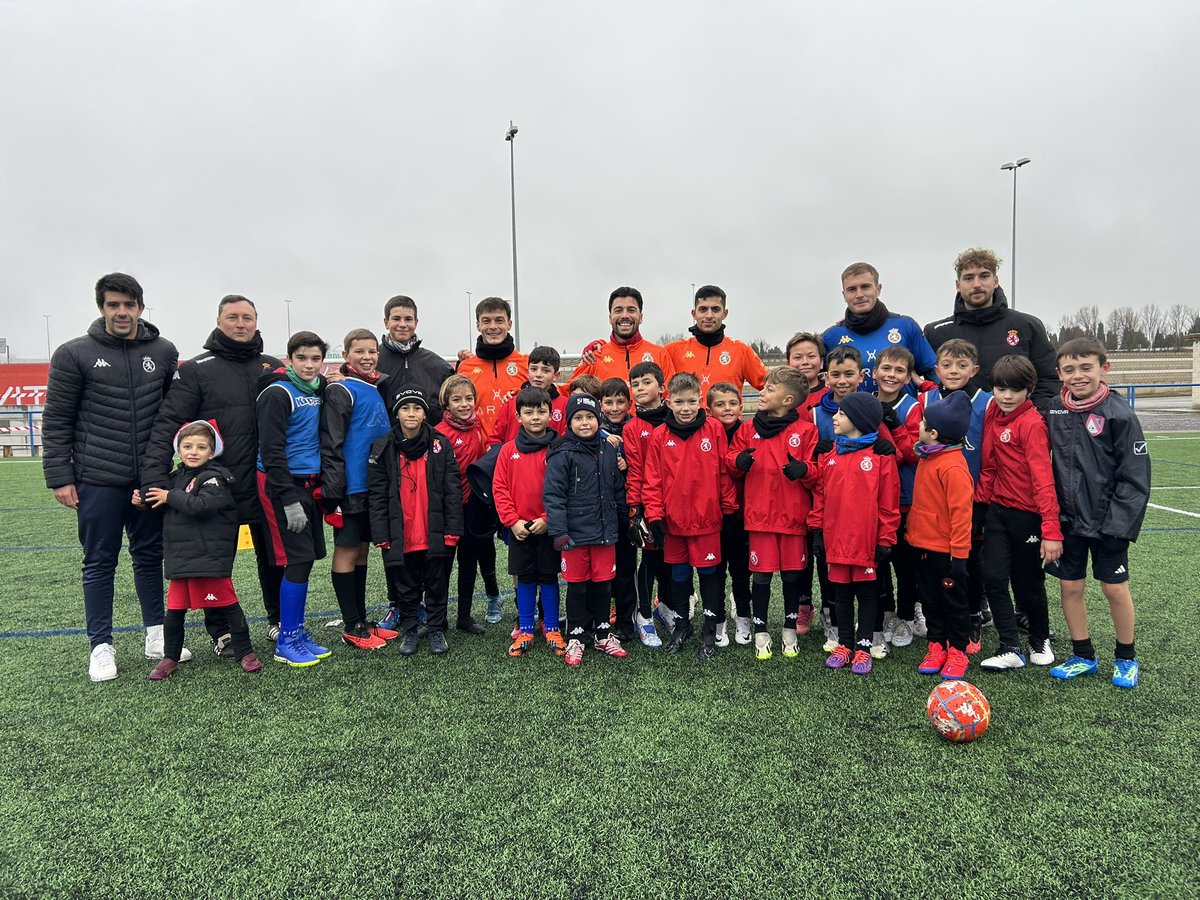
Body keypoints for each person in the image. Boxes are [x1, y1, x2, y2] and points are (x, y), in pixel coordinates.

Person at [43, 273, 184, 682]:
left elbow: (172, 413)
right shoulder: (74, 353)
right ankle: (101, 646)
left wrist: (162, 473)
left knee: (149, 557)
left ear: (141, 307)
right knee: (100, 562)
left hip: (148, 479)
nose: (121, 312)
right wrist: (60, 477)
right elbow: (56, 420)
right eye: (112, 305)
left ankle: (156, 634)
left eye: (128, 304)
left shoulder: (164, 351)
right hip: (97, 479)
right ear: (102, 308)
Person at [144, 294, 283, 651]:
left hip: (266, 481)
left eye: (247, 317)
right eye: (233, 317)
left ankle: (278, 620)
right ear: (219, 321)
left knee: (273, 556)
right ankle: (221, 631)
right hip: (216, 486)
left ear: (256, 321)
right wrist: (154, 479)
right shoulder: (197, 369)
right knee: (214, 559)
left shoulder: (273, 366)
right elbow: (168, 424)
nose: (241, 324)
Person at [1044, 338, 1150, 689]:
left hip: (1109, 524)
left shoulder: (1119, 413)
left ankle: (1126, 657)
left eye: (1086, 367)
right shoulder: (1054, 411)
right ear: (1059, 374)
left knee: (1114, 589)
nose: (1078, 376)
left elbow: (1135, 476)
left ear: (1105, 368)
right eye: (1069, 369)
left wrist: (1119, 525)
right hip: (1068, 522)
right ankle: (1083, 654)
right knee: (1070, 587)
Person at [137, 421, 261, 679]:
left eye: (201, 447)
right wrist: (142, 502)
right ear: (178, 449)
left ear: (212, 451)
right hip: (180, 557)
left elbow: (202, 505)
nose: (193, 452)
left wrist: (169, 496)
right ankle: (170, 657)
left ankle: (246, 651)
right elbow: (158, 503)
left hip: (210, 556)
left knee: (229, 605)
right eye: (187, 446)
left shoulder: (216, 477)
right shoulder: (174, 478)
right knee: (174, 611)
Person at [905, 338, 993, 652]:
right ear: (937, 368)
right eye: (946, 365)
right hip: (933, 501)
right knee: (934, 571)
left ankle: (972, 618)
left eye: (961, 365)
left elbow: (989, 453)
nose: (953, 371)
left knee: (970, 563)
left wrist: (981, 496)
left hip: (971, 498)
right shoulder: (926, 398)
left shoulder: (987, 401)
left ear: (974, 369)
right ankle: (939, 632)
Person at [976, 356, 1063, 671]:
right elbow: (988, 465)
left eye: (1015, 389)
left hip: (1028, 516)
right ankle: (1009, 646)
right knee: (994, 578)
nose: (1007, 396)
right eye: (1001, 388)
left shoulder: (1032, 423)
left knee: (1027, 582)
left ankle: (1039, 639)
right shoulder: (992, 412)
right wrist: (980, 507)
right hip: (997, 512)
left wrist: (1051, 531)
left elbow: (1043, 480)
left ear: (1029, 389)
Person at [643, 372, 738, 657]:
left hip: (707, 521)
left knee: (710, 573)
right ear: (668, 401)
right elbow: (653, 480)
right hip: (674, 523)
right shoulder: (659, 436)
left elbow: (723, 473)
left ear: (700, 401)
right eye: (679, 402)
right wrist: (655, 516)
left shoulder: (714, 430)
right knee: (680, 574)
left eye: (691, 401)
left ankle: (710, 628)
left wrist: (730, 509)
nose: (685, 408)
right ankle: (681, 625)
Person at [728, 367, 820, 660]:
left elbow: (817, 474)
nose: (762, 392)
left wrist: (804, 470)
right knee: (762, 576)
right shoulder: (747, 429)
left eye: (769, 389)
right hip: (759, 519)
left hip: (793, 518)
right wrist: (738, 463)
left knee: (793, 576)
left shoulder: (806, 431)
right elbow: (730, 462)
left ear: (788, 400)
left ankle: (790, 629)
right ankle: (761, 631)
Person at [367, 387, 464, 657]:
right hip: (401, 531)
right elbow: (376, 495)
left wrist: (453, 529)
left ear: (425, 413)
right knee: (404, 583)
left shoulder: (440, 444)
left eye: (417, 408)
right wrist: (381, 533)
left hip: (434, 529)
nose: (412, 413)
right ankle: (410, 629)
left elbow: (452, 489)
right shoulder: (382, 447)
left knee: (437, 581)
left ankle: (436, 628)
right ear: (396, 413)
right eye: (406, 408)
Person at [809, 393, 899, 676]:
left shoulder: (880, 457)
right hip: (836, 541)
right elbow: (820, 497)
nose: (834, 418)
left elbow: (888, 503)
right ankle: (845, 643)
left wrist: (885, 539)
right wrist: (818, 532)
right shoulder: (830, 456)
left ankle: (863, 646)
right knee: (841, 595)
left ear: (858, 421)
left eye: (841, 414)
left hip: (866, 542)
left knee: (868, 595)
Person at [255, 331, 331, 668]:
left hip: (307, 483)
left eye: (316, 358)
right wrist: (286, 496)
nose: (309, 365)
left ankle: (297, 632)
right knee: (296, 560)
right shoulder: (277, 392)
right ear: (289, 360)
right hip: (281, 483)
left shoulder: (319, 390)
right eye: (302, 358)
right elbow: (270, 449)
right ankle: (286, 639)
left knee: (307, 558)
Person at [319, 328, 395, 651]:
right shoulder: (342, 391)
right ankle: (351, 625)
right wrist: (334, 491)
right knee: (347, 549)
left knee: (363, 550)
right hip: (349, 487)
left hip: (372, 487)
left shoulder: (374, 387)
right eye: (359, 351)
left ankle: (362, 620)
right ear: (346, 355)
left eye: (372, 351)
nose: (367, 357)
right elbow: (332, 443)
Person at [545, 394, 627, 666]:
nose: (584, 422)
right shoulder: (562, 451)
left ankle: (603, 633)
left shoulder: (609, 448)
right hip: (575, 536)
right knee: (578, 588)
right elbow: (554, 495)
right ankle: (577, 636)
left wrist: (625, 521)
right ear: (569, 422)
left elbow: (617, 490)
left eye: (590, 417)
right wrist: (559, 532)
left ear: (598, 419)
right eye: (578, 418)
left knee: (604, 585)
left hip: (605, 533)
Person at [923, 248, 1059, 412]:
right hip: (956, 432)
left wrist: (1032, 416)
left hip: (1013, 430)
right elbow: (927, 382)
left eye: (984, 276)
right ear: (958, 285)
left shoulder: (1027, 326)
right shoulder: (935, 333)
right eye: (968, 278)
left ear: (995, 281)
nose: (977, 284)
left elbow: (1049, 380)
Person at [906, 392, 975, 680]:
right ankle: (936, 646)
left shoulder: (952, 465)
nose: (919, 425)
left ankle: (957, 650)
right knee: (931, 601)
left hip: (946, 552)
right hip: (923, 546)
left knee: (954, 605)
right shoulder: (928, 456)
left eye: (922, 422)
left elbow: (961, 514)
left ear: (933, 433)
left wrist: (959, 556)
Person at [493, 387, 567, 657]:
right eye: (529, 412)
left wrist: (548, 519)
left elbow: (566, 489)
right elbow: (499, 489)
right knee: (524, 579)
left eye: (541, 411)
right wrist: (512, 521)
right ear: (518, 416)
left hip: (549, 528)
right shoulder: (507, 451)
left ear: (551, 414)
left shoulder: (559, 449)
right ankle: (525, 627)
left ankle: (551, 628)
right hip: (520, 530)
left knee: (548, 578)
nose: (535, 417)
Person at [435, 374, 503, 631]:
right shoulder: (439, 433)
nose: (464, 404)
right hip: (449, 510)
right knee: (442, 565)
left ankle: (464, 616)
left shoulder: (479, 426)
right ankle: (438, 619)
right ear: (446, 403)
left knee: (468, 562)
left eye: (469, 399)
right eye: (457, 399)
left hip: (474, 508)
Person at [873, 345, 923, 650]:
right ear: (875, 372)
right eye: (887, 368)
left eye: (899, 370)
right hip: (875, 500)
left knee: (906, 564)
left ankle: (906, 616)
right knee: (878, 562)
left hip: (906, 498)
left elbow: (915, 453)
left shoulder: (912, 407)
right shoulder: (866, 403)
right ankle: (887, 612)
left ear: (907, 377)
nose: (891, 375)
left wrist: (894, 427)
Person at [822, 262, 937, 394]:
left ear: (878, 289)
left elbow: (933, 373)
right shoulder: (831, 336)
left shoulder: (905, 326)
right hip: (851, 414)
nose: (859, 294)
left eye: (865, 287)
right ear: (844, 295)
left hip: (903, 413)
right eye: (852, 289)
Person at [623, 362, 670, 648]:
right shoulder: (632, 427)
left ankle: (666, 606)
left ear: (661, 388)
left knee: (673, 559)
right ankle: (643, 616)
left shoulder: (676, 418)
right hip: (648, 503)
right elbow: (635, 471)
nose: (640, 388)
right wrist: (635, 510)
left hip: (675, 502)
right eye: (635, 384)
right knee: (650, 559)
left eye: (646, 382)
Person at [665, 285, 768, 401]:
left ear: (724, 313)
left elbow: (773, 387)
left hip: (727, 420)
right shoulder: (671, 351)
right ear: (694, 314)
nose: (709, 315)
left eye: (715, 309)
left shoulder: (741, 351)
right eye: (703, 309)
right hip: (686, 419)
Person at [707, 382, 749, 647]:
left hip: (744, 512)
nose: (727, 409)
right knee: (715, 569)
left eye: (732, 403)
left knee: (742, 569)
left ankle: (743, 615)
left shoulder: (749, 431)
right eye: (720, 404)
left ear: (741, 407)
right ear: (709, 409)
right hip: (715, 512)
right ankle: (718, 617)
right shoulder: (705, 433)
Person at [598, 377, 638, 643]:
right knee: (600, 570)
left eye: (620, 402)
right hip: (598, 511)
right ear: (600, 404)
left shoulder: (635, 429)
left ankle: (626, 620)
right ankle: (596, 618)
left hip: (625, 510)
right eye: (608, 402)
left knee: (625, 568)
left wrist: (627, 465)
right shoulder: (591, 428)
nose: (614, 407)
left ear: (629, 403)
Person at [571, 286, 677, 385]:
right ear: (610, 317)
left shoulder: (660, 355)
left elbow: (673, 397)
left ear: (641, 317)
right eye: (618, 310)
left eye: (631, 310)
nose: (625, 315)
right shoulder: (594, 358)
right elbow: (567, 393)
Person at [375, 295, 455, 424]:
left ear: (416, 323)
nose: (402, 324)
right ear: (386, 322)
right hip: (383, 441)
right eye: (396, 319)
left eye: (408, 319)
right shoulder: (373, 361)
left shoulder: (438, 365)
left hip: (427, 442)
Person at [458, 297, 529, 436]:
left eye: (499, 320)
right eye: (486, 321)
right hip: (479, 454)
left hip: (517, 451)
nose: (493, 326)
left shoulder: (528, 363)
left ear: (509, 324)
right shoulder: (465, 367)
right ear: (478, 325)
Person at [489, 345, 569, 444]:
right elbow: (494, 439)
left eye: (546, 370)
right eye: (534, 369)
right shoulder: (511, 401)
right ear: (527, 372)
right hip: (514, 458)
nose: (538, 374)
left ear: (556, 376)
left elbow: (567, 442)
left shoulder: (565, 405)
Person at [786, 332, 827, 417]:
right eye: (797, 357)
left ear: (822, 362)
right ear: (788, 364)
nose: (805, 362)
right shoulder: (780, 396)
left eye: (811, 356)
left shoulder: (832, 394)